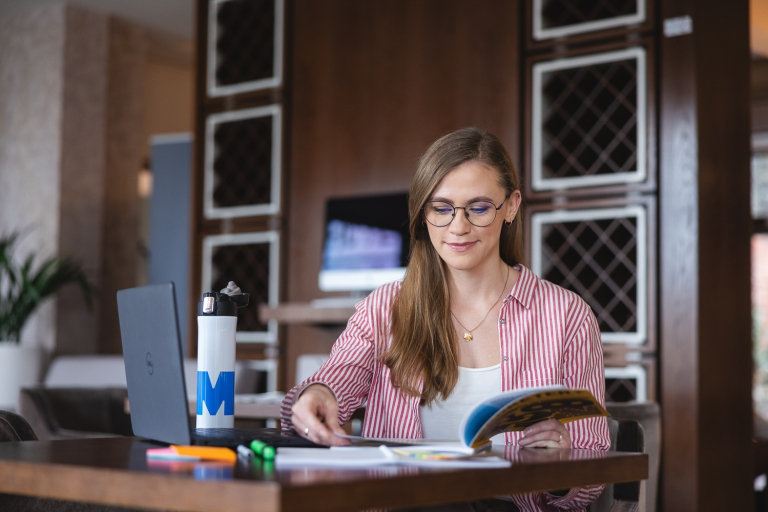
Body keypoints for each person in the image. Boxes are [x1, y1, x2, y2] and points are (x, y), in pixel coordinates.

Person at [280, 127, 609, 511]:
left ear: (512, 206)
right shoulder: (386, 308)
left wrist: (561, 470)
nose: (458, 226)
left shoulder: (567, 316)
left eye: (479, 207)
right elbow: (330, 386)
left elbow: (593, 471)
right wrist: (317, 395)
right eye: (441, 208)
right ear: (423, 213)